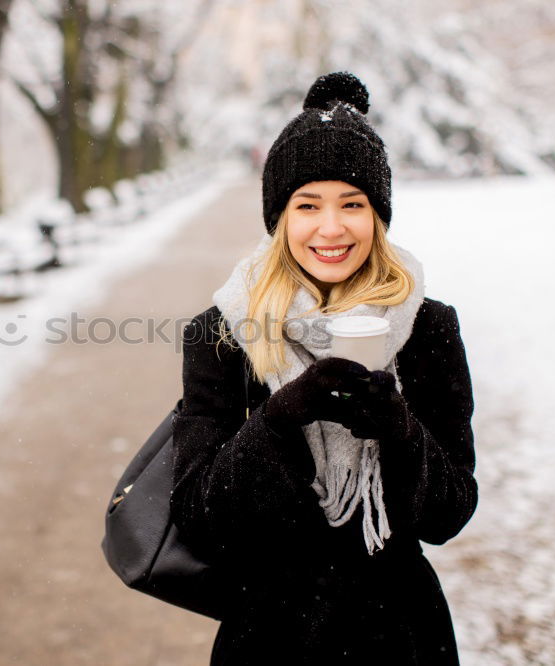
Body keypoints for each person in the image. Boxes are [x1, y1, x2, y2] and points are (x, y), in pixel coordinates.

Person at [170, 72, 478, 665]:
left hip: (402, 637)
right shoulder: (222, 334)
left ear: (378, 217)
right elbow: (202, 518)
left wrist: (398, 428)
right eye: (307, 204)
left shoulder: (428, 329)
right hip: (268, 636)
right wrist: (282, 415)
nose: (331, 228)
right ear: (279, 216)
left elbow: (449, 513)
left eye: (353, 205)